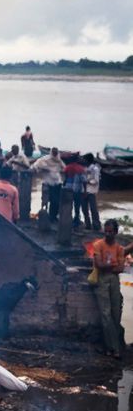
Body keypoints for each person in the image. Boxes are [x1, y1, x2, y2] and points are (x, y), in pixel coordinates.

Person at [92, 219, 126, 358]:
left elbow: (121, 268)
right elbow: (99, 265)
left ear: (116, 232)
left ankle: (111, 347)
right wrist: (114, 264)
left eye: (110, 231)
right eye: (106, 231)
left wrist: (110, 266)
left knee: (116, 314)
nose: (107, 234)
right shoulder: (98, 245)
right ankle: (113, 349)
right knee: (105, 315)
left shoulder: (120, 249)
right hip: (102, 280)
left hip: (114, 280)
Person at [31, 147, 65, 222]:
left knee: (56, 202)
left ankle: (53, 216)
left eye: (56, 152)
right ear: (51, 152)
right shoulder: (45, 159)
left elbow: (64, 168)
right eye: (54, 152)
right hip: (47, 183)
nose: (55, 154)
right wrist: (41, 170)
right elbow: (35, 167)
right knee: (45, 201)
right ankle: (45, 216)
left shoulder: (59, 160)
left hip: (57, 183)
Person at [64, 156, 87, 228]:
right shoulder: (80, 168)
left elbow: (65, 178)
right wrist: (85, 191)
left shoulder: (67, 167)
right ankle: (76, 222)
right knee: (77, 206)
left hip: (68, 189)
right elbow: (84, 181)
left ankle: (67, 220)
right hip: (77, 190)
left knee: (68, 206)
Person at [82, 153, 102, 231]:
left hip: (91, 191)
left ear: (88, 160)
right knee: (84, 209)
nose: (83, 161)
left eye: (84, 159)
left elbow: (96, 180)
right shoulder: (86, 169)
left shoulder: (95, 169)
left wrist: (87, 182)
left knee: (93, 209)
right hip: (84, 191)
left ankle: (96, 226)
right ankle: (88, 225)